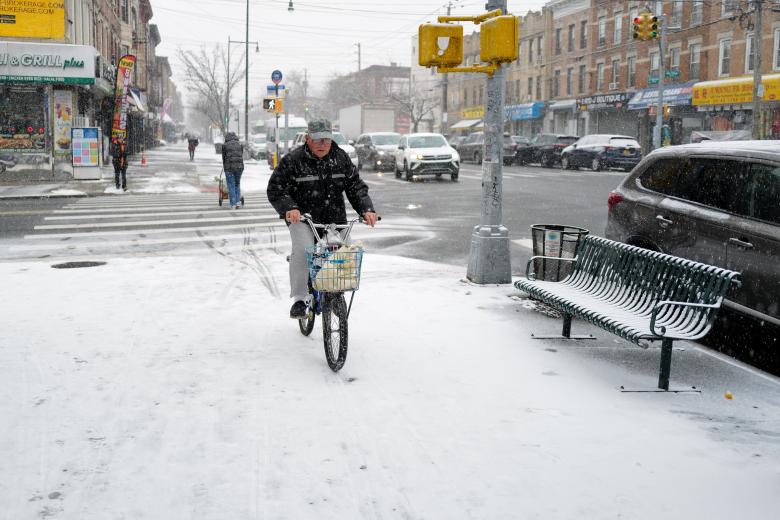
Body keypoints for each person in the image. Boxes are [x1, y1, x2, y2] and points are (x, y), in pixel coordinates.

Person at [267, 118, 377, 319]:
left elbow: (356, 187)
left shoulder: (341, 158)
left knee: (345, 252)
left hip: (334, 217)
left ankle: (335, 293)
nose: (322, 144)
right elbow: (276, 189)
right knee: (303, 250)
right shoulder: (293, 160)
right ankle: (300, 299)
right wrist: (290, 208)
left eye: (326, 139)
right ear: (308, 138)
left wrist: (366, 209)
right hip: (303, 218)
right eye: (317, 140)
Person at [221, 131, 244, 209]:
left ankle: (233, 203)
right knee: (237, 184)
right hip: (239, 167)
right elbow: (241, 156)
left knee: (231, 185)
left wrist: (224, 167)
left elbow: (224, 157)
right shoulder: (240, 144)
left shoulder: (225, 145)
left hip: (229, 167)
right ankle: (237, 202)